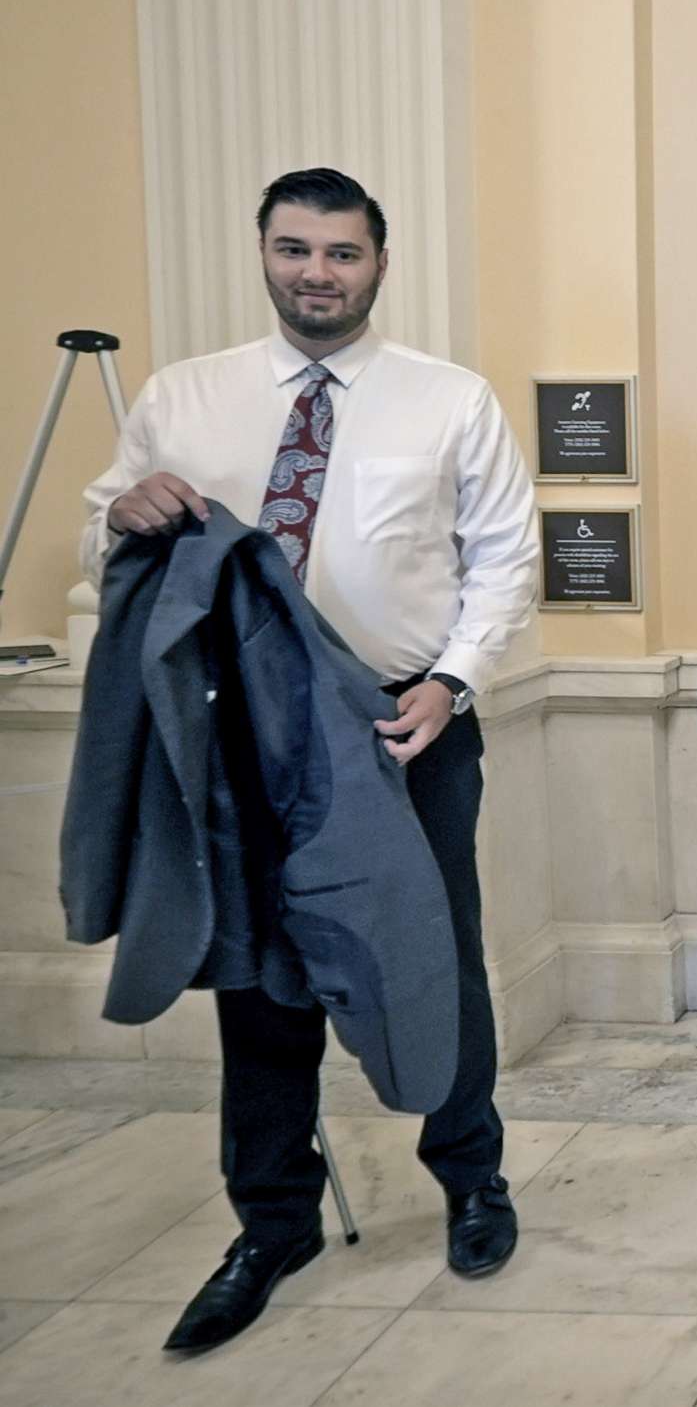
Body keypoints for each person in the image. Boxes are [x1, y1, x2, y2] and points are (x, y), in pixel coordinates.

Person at [79, 167, 540, 1349]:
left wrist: (453, 681)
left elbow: (504, 558)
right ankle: (271, 1215)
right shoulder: (185, 397)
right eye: (295, 250)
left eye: (341, 253)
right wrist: (121, 513)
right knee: (256, 973)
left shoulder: (449, 399)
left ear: (379, 263)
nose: (316, 273)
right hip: (236, 731)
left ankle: (471, 1176)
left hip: (405, 723)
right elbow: (106, 530)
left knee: (433, 956)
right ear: (264, 252)